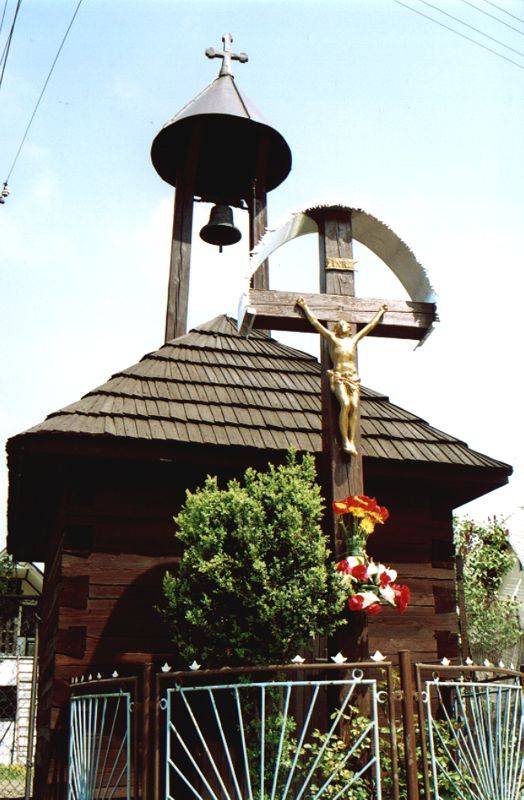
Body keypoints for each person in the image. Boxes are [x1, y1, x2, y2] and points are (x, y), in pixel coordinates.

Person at [296, 297, 388, 455]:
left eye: (347, 324)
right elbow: (315, 323)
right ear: (338, 328)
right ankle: (344, 440)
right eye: (343, 324)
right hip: (339, 377)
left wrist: (380, 312)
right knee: (345, 404)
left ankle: (351, 441)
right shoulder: (333, 338)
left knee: (354, 407)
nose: (346, 325)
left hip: (353, 379)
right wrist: (304, 307)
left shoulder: (353, 340)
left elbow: (370, 326)